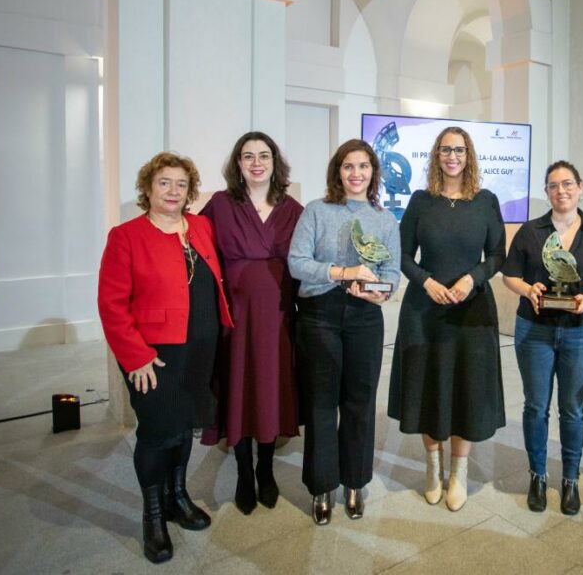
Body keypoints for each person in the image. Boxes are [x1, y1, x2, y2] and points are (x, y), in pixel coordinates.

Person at [98, 152, 233, 564]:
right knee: (158, 432)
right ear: (148, 188)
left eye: (181, 184)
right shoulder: (126, 236)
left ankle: (178, 497)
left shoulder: (202, 227)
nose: (173, 191)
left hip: (200, 349)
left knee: (184, 426)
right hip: (153, 356)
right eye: (164, 183)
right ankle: (153, 515)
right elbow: (111, 305)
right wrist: (135, 356)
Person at [388, 126, 506, 512]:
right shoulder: (421, 201)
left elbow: (497, 255)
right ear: (436, 156)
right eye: (445, 150)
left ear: (468, 155)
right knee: (427, 385)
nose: (452, 156)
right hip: (425, 310)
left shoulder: (486, 201)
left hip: (472, 310)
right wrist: (426, 282)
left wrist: (473, 278)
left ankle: (458, 473)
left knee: (466, 388)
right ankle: (432, 466)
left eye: (459, 150)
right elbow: (403, 254)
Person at [287, 139, 400, 525]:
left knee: (359, 403)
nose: (356, 173)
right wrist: (342, 272)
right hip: (320, 315)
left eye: (363, 166)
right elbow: (296, 262)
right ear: (338, 171)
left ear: (373, 172)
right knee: (322, 403)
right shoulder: (316, 211)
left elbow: (391, 273)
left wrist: (380, 291)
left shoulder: (384, 219)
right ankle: (322, 487)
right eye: (348, 166)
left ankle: (354, 483)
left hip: (365, 317)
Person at [501, 161, 583, 515]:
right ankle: (537, 476)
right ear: (547, 192)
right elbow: (510, 275)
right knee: (536, 407)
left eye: (567, 184)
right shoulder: (531, 231)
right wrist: (528, 289)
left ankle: (570, 479)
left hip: (580, 332)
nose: (561, 191)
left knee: (572, 410)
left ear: (580, 188)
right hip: (534, 331)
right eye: (553, 186)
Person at [200, 132, 303, 515]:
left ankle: (266, 468)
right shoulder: (220, 204)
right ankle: (244, 470)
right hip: (235, 316)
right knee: (238, 388)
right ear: (238, 164)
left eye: (264, 156)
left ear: (275, 163)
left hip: (278, 316)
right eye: (248, 156)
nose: (256, 163)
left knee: (270, 388)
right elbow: (197, 249)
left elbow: (308, 261)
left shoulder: (293, 209)